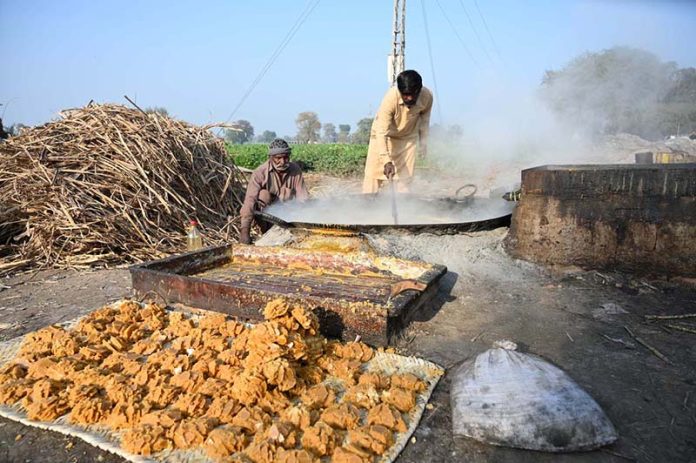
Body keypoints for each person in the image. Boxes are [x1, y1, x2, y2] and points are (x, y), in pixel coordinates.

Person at [362, 70, 433, 194]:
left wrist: (423, 143)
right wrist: (386, 161)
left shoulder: (427, 97)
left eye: (413, 94)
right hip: (384, 137)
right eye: (405, 94)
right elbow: (381, 132)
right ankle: (366, 208)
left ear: (419, 90)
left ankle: (404, 208)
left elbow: (425, 121)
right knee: (373, 177)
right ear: (400, 91)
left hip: (407, 140)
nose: (409, 98)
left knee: (405, 180)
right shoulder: (390, 98)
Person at [239, 138, 309, 244]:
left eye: (286, 157)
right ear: (270, 158)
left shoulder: (295, 170)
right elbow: (249, 201)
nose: (283, 161)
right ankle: (267, 232)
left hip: (288, 217)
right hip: (267, 219)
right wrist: (244, 233)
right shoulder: (260, 173)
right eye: (278, 158)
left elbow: (303, 199)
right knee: (264, 195)